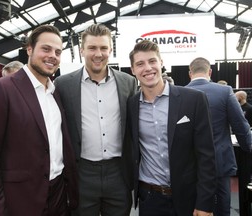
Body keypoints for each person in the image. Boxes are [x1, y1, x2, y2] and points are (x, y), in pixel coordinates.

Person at [0, 25, 78, 216]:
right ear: (29, 49)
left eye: (58, 52)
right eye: (46, 49)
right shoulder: (2, 88)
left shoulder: (55, 93)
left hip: (58, 197)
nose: (52, 56)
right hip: (21, 200)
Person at [54, 23, 137, 216]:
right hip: (82, 172)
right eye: (92, 48)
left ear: (110, 50)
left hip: (118, 172)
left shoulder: (128, 82)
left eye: (103, 48)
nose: (98, 54)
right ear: (82, 50)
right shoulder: (63, 84)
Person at [127, 40, 216, 216]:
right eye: (140, 64)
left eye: (152, 61)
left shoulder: (193, 99)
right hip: (150, 198)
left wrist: (205, 203)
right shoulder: (131, 105)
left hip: (188, 197)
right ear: (133, 70)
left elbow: (207, 156)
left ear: (161, 62)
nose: (148, 68)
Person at [186, 57, 252, 216]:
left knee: (191, 208)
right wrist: (248, 147)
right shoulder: (224, 91)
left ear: (190, 74)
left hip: (189, 166)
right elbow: (241, 126)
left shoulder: (180, 93)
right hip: (219, 163)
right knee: (221, 209)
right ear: (210, 72)